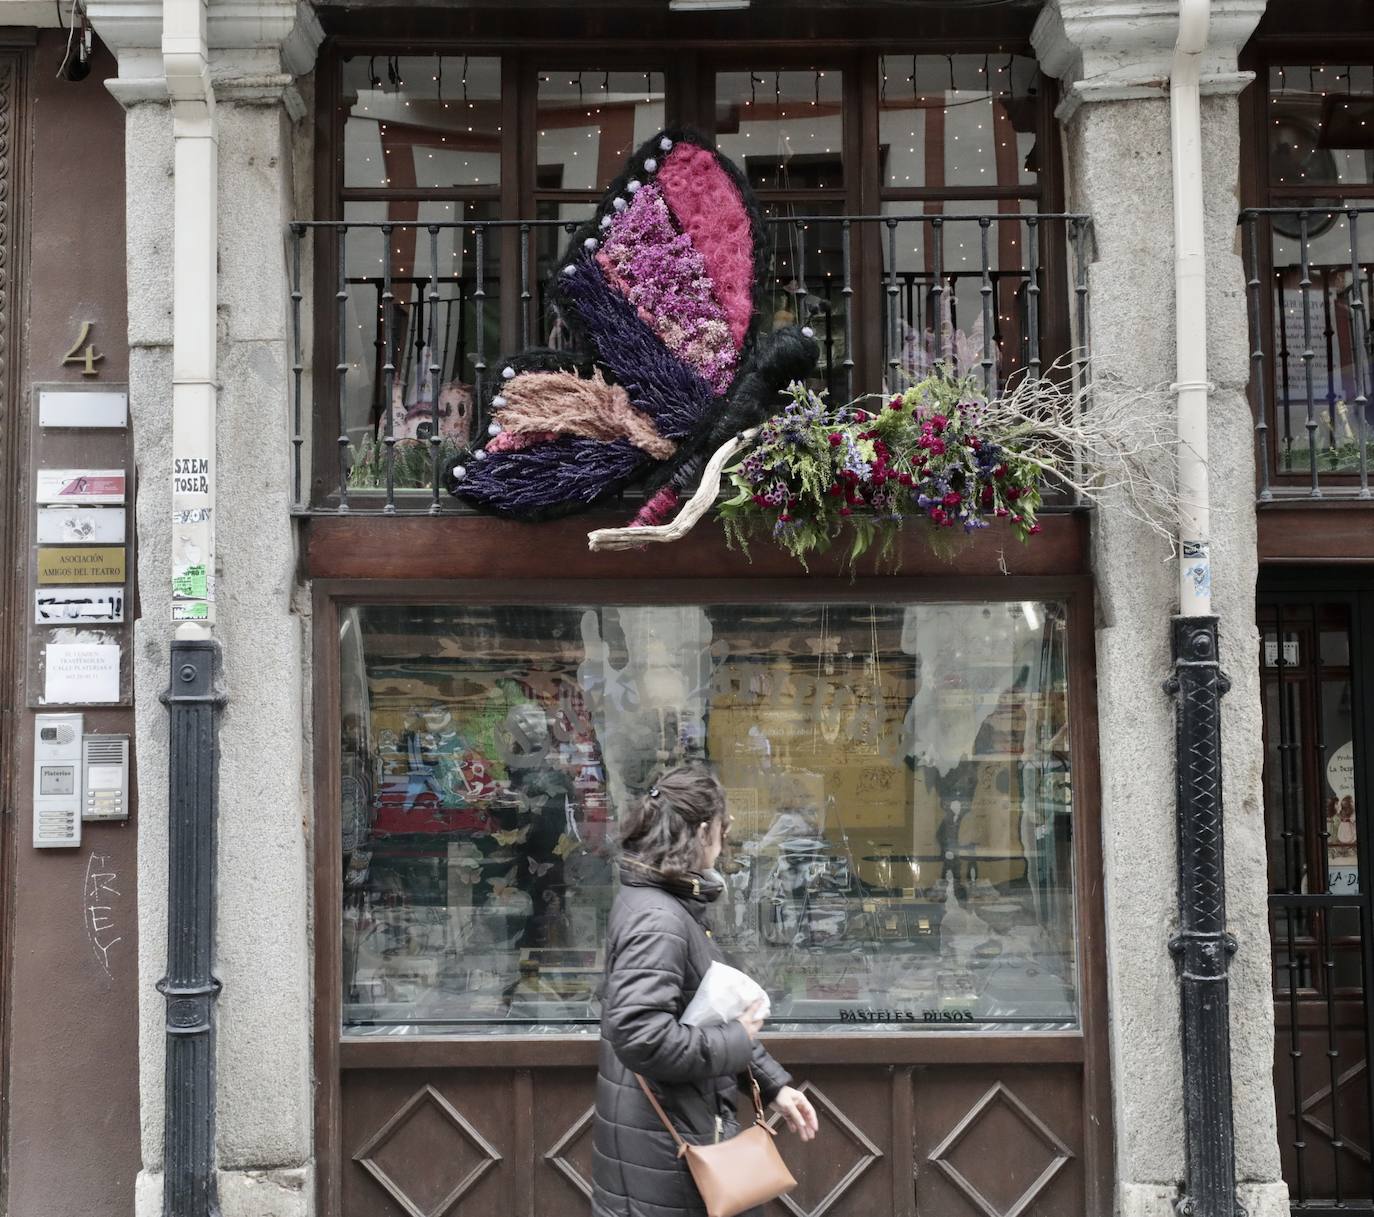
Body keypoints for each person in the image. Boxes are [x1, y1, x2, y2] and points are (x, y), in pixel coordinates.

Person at [592, 764, 818, 1217]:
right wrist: (738, 1038)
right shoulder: (659, 919)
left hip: (671, 1135)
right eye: (724, 826)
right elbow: (643, 1035)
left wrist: (772, 1085)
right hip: (666, 1153)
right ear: (701, 831)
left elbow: (704, 1013)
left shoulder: (666, 901)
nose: (726, 837)